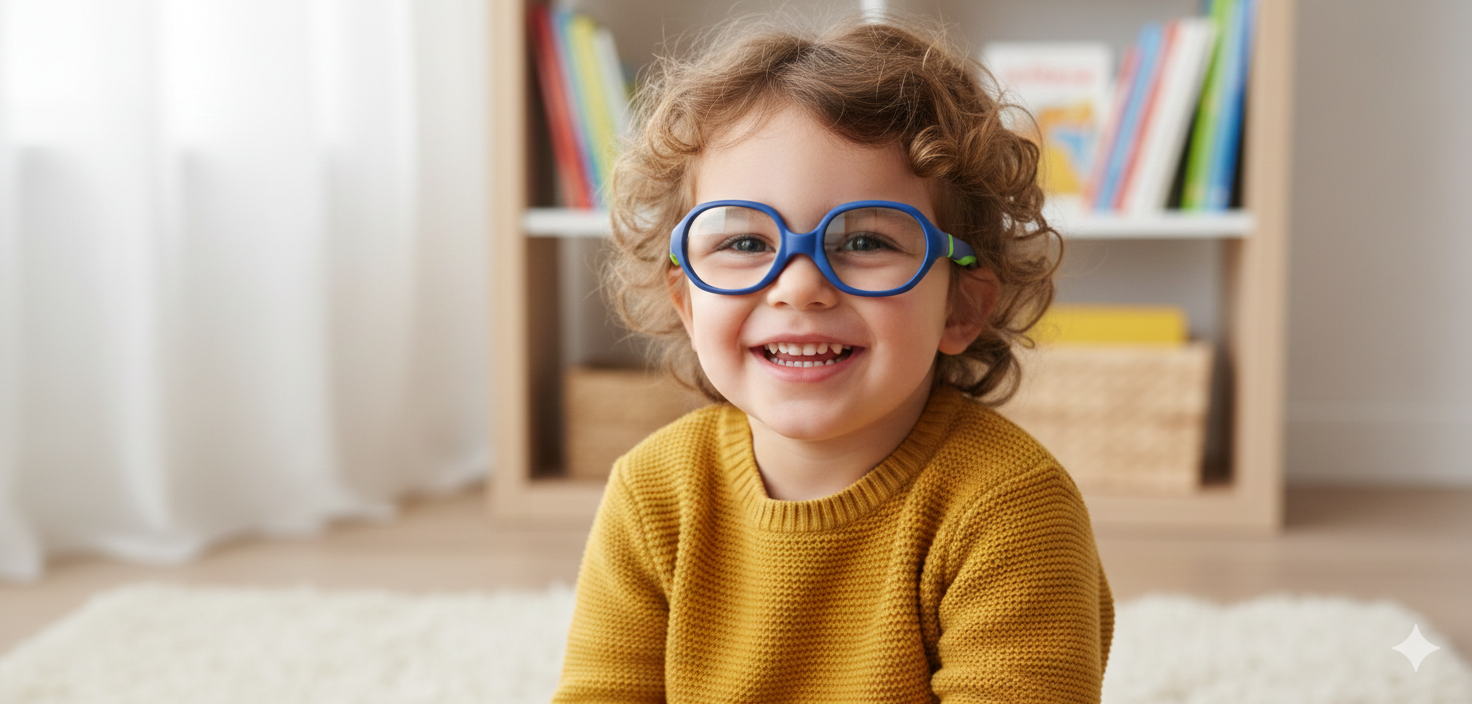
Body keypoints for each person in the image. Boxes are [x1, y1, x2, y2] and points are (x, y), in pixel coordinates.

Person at [553, 14, 1112, 703]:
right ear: (688, 300)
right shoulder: (653, 494)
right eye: (746, 243)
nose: (800, 287)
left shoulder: (1010, 508)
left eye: (867, 243)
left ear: (962, 306)